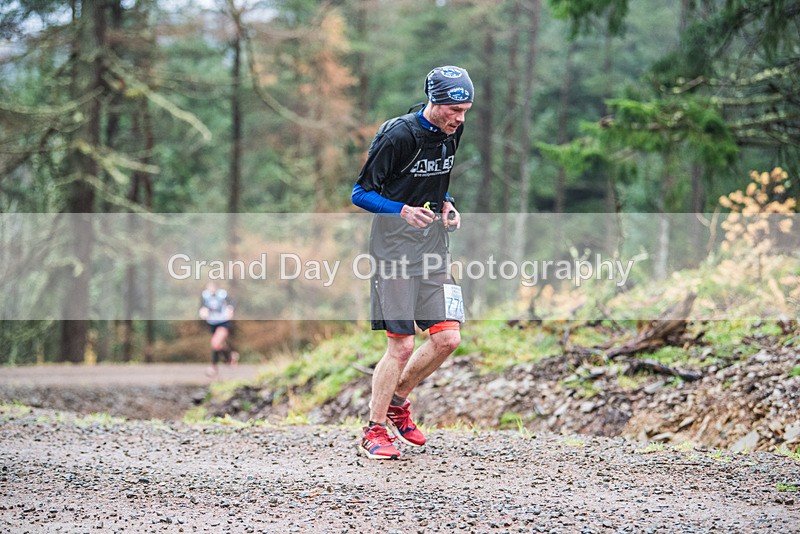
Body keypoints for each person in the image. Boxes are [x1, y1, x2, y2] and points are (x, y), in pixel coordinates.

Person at [351, 65, 473, 459]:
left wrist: (449, 203)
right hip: (394, 254)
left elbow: (438, 179)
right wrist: (401, 210)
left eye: (466, 110)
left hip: (434, 249)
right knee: (401, 347)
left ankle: (398, 402)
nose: (460, 119)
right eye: (455, 110)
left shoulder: (453, 131)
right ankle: (374, 430)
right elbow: (360, 192)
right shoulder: (397, 135)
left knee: (447, 338)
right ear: (434, 102)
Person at [199, 281, 238, 377]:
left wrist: (230, 309)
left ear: (216, 288)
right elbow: (202, 307)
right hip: (212, 323)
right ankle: (230, 357)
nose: (211, 290)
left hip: (223, 322)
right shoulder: (205, 295)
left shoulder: (222, 294)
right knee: (219, 345)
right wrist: (203, 311)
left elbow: (233, 302)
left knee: (215, 343)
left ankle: (213, 367)